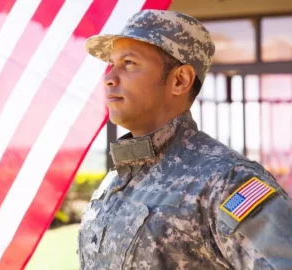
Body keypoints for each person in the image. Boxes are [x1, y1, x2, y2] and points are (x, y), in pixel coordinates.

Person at [77, 9, 292, 270]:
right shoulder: (115, 181)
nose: (109, 78)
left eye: (129, 63)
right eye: (111, 64)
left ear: (180, 80)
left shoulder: (227, 181)